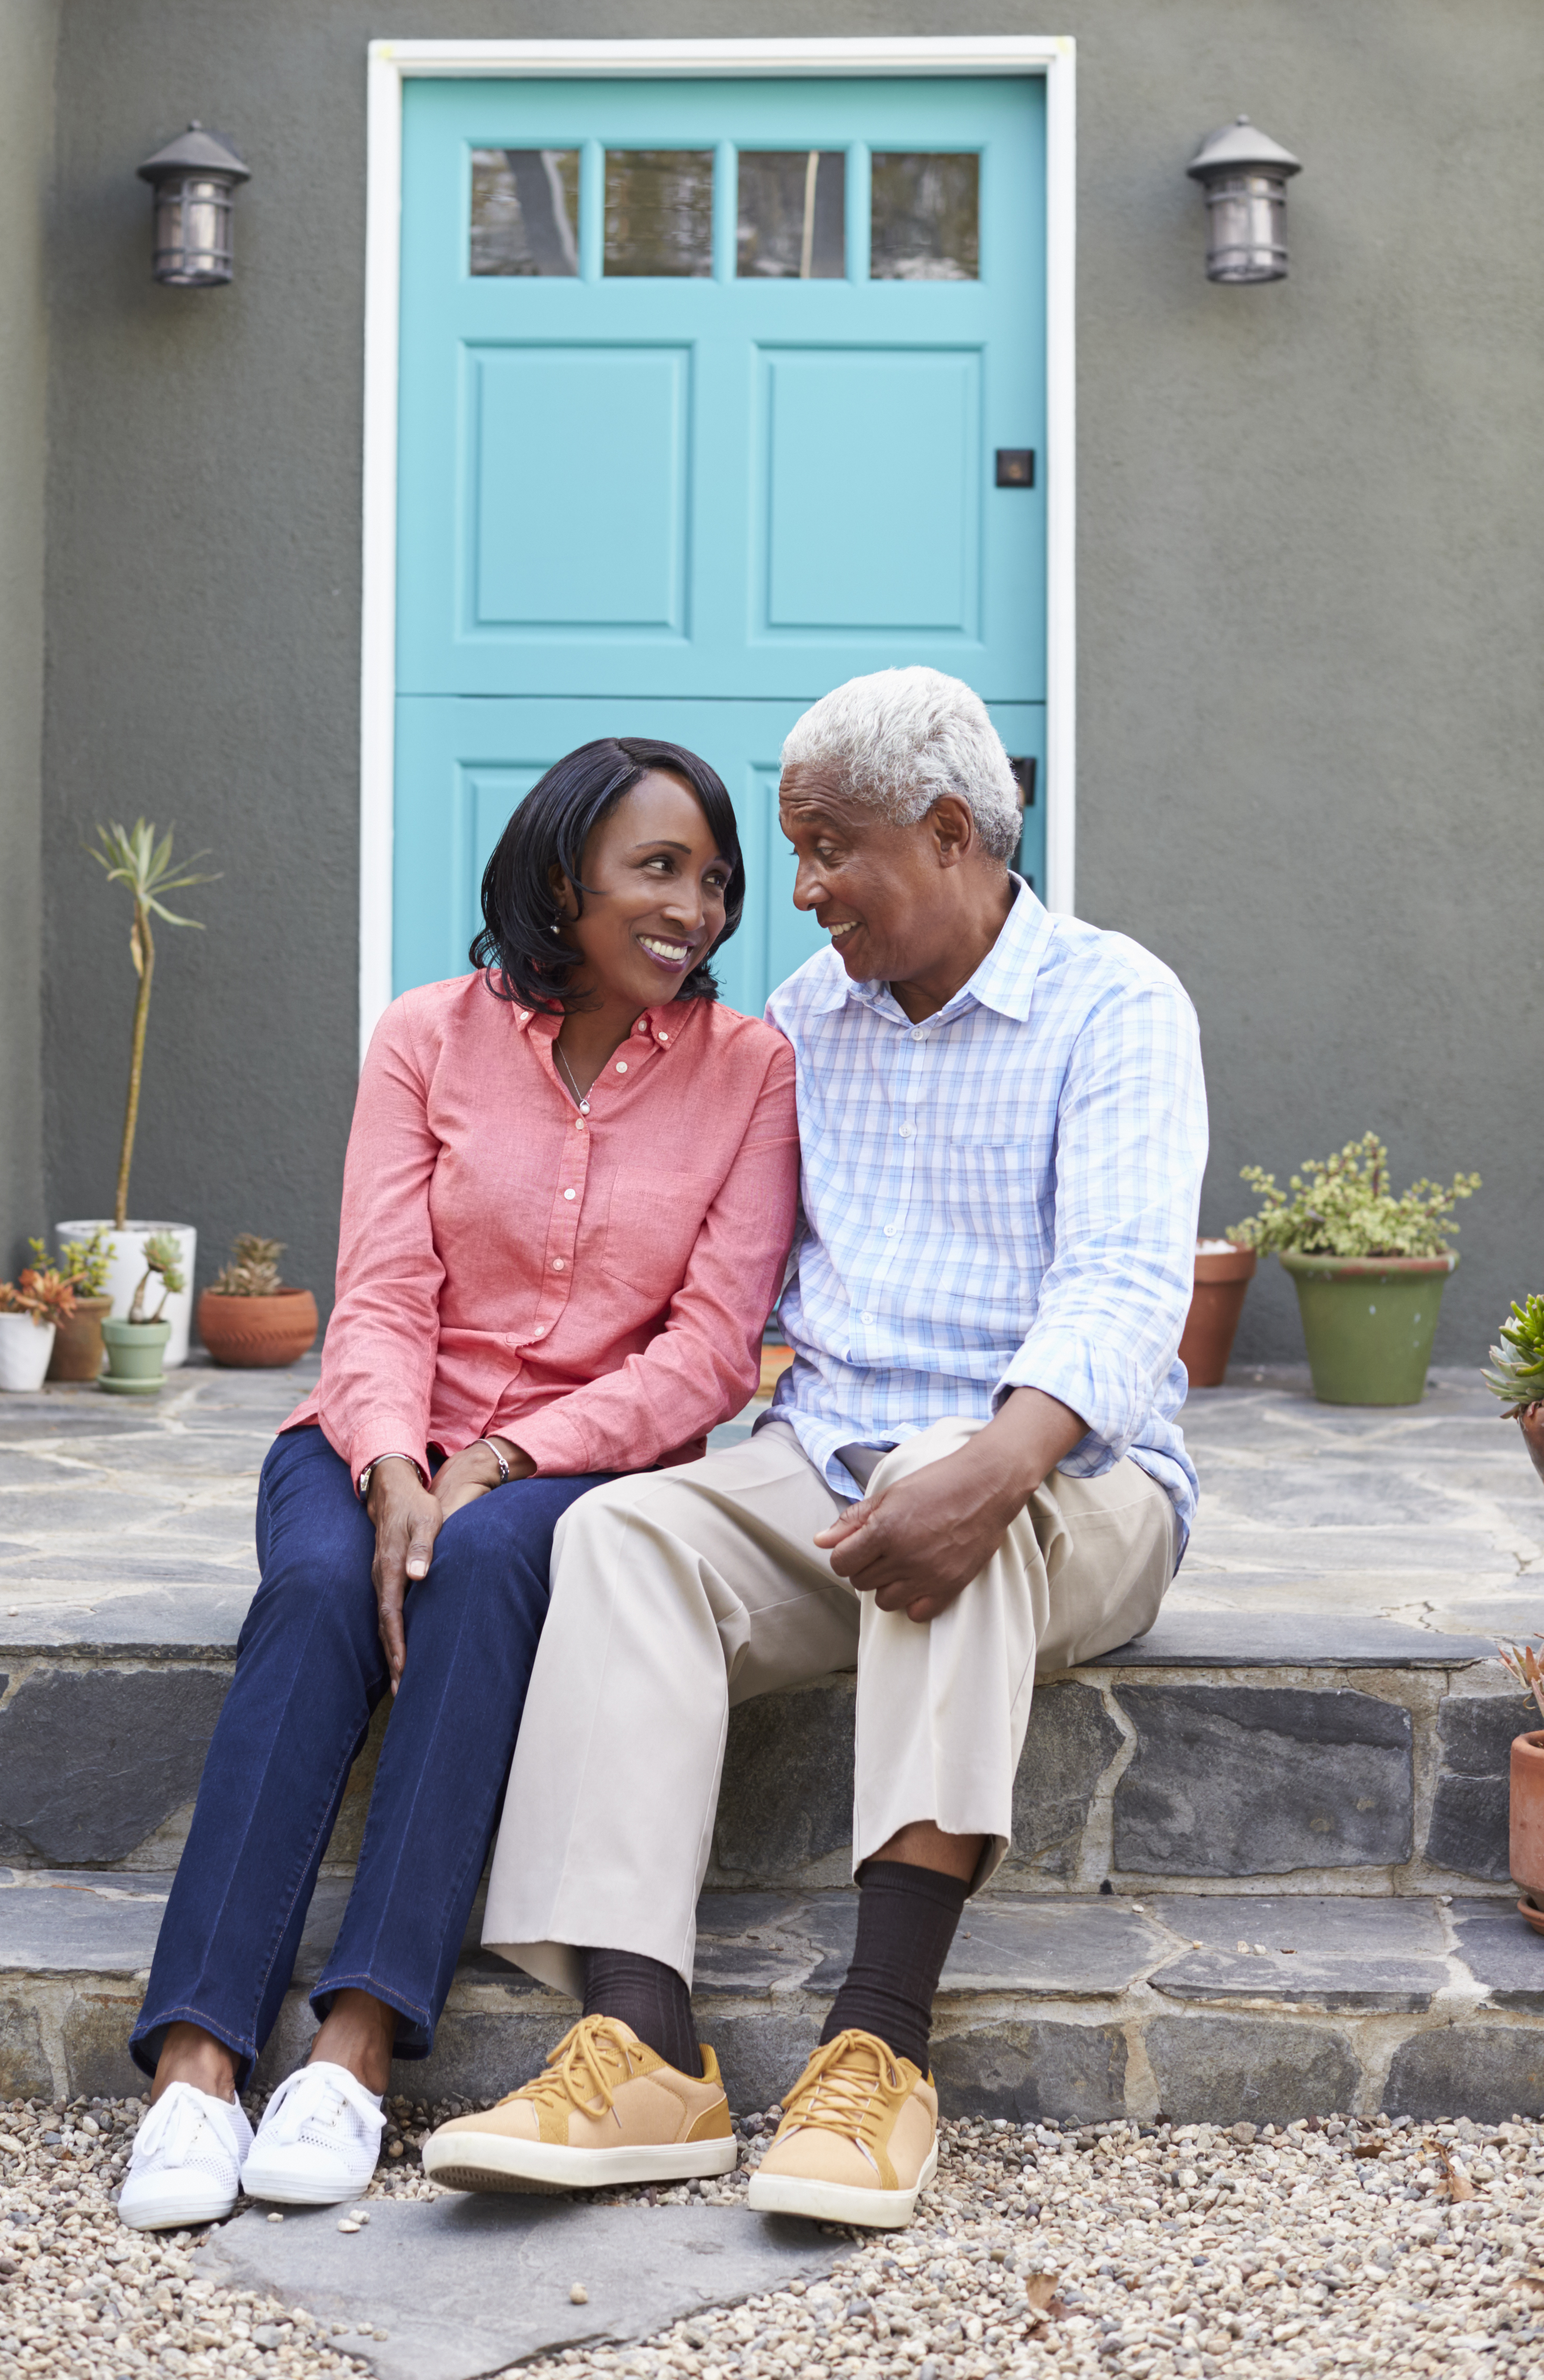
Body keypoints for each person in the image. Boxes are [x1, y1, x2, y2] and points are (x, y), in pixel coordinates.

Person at [424, 666, 1207, 2230]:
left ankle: (877, 2050)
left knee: (945, 1494)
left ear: (945, 830)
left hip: (1081, 1481)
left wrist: (997, 1460)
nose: (795, 891)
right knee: (626, 1537)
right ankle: (643, 2048)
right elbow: (714, 1283)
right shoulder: (798, 1022)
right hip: (828, 1454)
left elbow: (1126, 1296)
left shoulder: (1116, 1002)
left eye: (828, 847)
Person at [116, 737, 800, 2232]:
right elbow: (380, 1287)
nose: (700, 905)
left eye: (716, 875)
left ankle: (356, 2049)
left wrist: (489, 1463)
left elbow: (707, 1354)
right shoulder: (428, 1034)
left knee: (484, 1568)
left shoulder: (751, 1071)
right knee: (313, 1591)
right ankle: (196, 2067)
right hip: (372, 1430)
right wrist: (391, 1465)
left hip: (576, 1464)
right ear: (565, 879)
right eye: (659, 869)